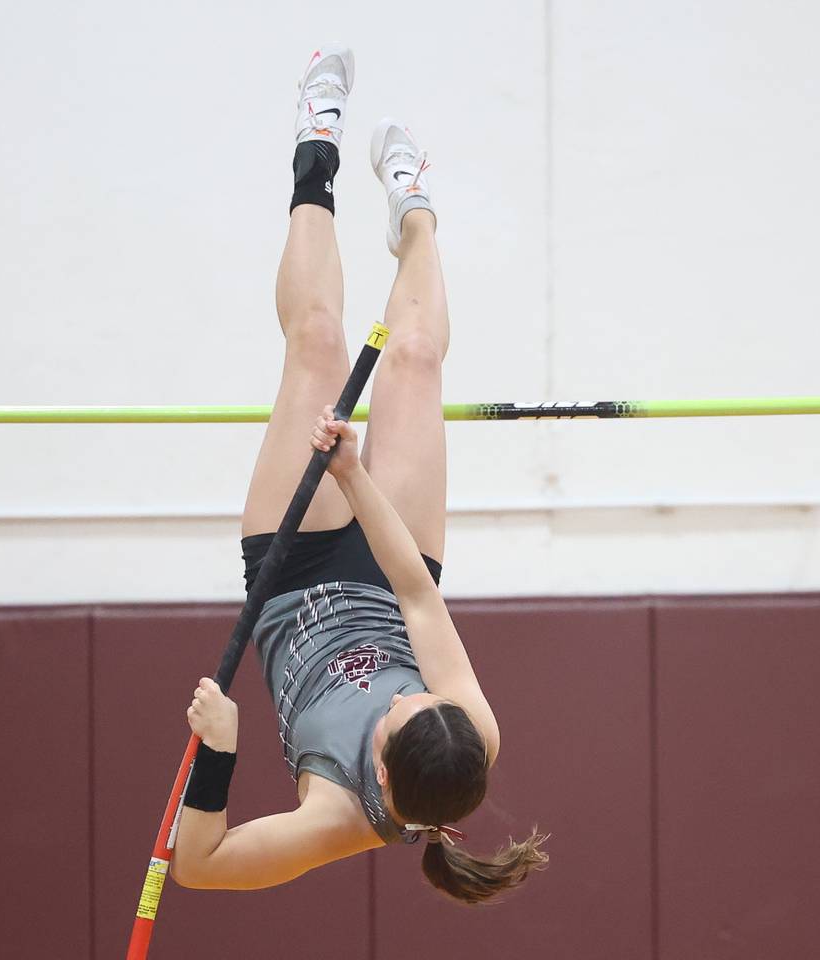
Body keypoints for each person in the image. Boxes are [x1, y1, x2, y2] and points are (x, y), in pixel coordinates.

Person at [168, 44, 547, 904]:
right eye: (428, 700)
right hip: (391, 571)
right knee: (410, 358)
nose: (411, 696)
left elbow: (202, 865)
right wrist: (352, 470)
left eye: (403, 711)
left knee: (321, 345)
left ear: (380, 758)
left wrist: (220, 755)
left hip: (294, 577)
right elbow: (417, 599)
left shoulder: (334, 812)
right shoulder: (470, 735)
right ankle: (416, 208)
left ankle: (314, 149)